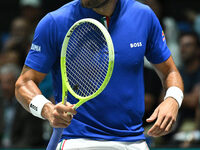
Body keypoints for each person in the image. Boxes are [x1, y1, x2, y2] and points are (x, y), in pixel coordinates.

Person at [15, 0, 184, 149]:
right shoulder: (54, 22)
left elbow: (170, 71)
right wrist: (48, 110)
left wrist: (173, 100)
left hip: (134, 141)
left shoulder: (144, 16)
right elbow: (24, 83)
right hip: (77, 140)